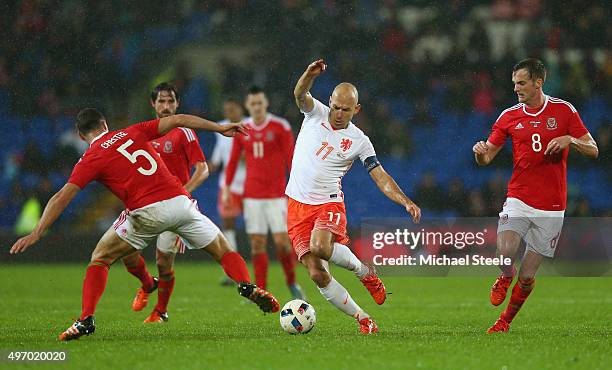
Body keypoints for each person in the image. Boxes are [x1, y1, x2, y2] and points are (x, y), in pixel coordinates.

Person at [10, 108, 280, 341]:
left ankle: (86, 319)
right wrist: (219, 128)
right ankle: (247, 285)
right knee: (222, 248)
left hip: (147, 211)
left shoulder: (91, 157)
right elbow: (179, 119)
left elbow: (62, 197)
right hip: (180, 201)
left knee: (101, 257)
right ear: (105, 124)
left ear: (82, 136)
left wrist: (37, 232)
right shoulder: (132, 131)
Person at [289, 60, 421, 334]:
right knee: (316, 272)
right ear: (330, 102)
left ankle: (363, 272)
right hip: (296, 204)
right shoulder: (315, 113)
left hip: (328, 201)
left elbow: (380, 176)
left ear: (356, 110)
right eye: (335, 106)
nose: (337, 113)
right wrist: (308, 76)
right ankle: (364, 318)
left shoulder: (359, 140)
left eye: (345, 109)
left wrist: (405, 200)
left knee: (321, 247)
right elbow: (300, 95)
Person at [472, 58, 598, 333]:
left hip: (552, 206)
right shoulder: (508, 116)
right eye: (514, 83)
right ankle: (504, 277)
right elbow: (488, 157)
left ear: (538, 82)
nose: (516, 88)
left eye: (521, 83)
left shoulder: (564, 111)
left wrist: (570, 140)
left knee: (528, 276)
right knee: (505, 254)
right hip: (519, 196)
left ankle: (504, 321)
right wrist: (481, 153)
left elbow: (593, 148)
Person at [121, 82, 209, 323]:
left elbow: (203, 169)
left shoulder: (183, 131)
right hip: (145, 204)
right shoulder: (142, 133)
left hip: (173, 208)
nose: (166, 106)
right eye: (162, 101)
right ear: (153, 104)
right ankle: (147, 284)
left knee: (163, 261)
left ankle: (160, 311)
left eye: (171, 101)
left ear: (178, 104)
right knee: (126, 253)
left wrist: (183, 192)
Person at [224, 86, 305, 299]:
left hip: (277, 195)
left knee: (281, 242)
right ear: (248, 106)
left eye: (260, 103)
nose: (257, 107)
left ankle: (292, 283)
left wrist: (296, 188)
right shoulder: (243, 129)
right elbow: (233, 160)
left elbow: (291, 159)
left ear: (266, 104)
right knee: (257, 244)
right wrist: (226, 188)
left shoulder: (280, 126)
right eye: (253, 104)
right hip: (252, 196)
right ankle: (261, 289)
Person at [209, 98, 247, 286]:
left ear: (241, 109)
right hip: (228, 185)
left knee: (258, 228)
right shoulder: (222, 128)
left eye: (232, 109)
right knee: (228, 225)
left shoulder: (250, 127)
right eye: (226, 110)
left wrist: (242, 157)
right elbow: (218, 157)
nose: (228, 114)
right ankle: (234, 270)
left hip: (249, 184)